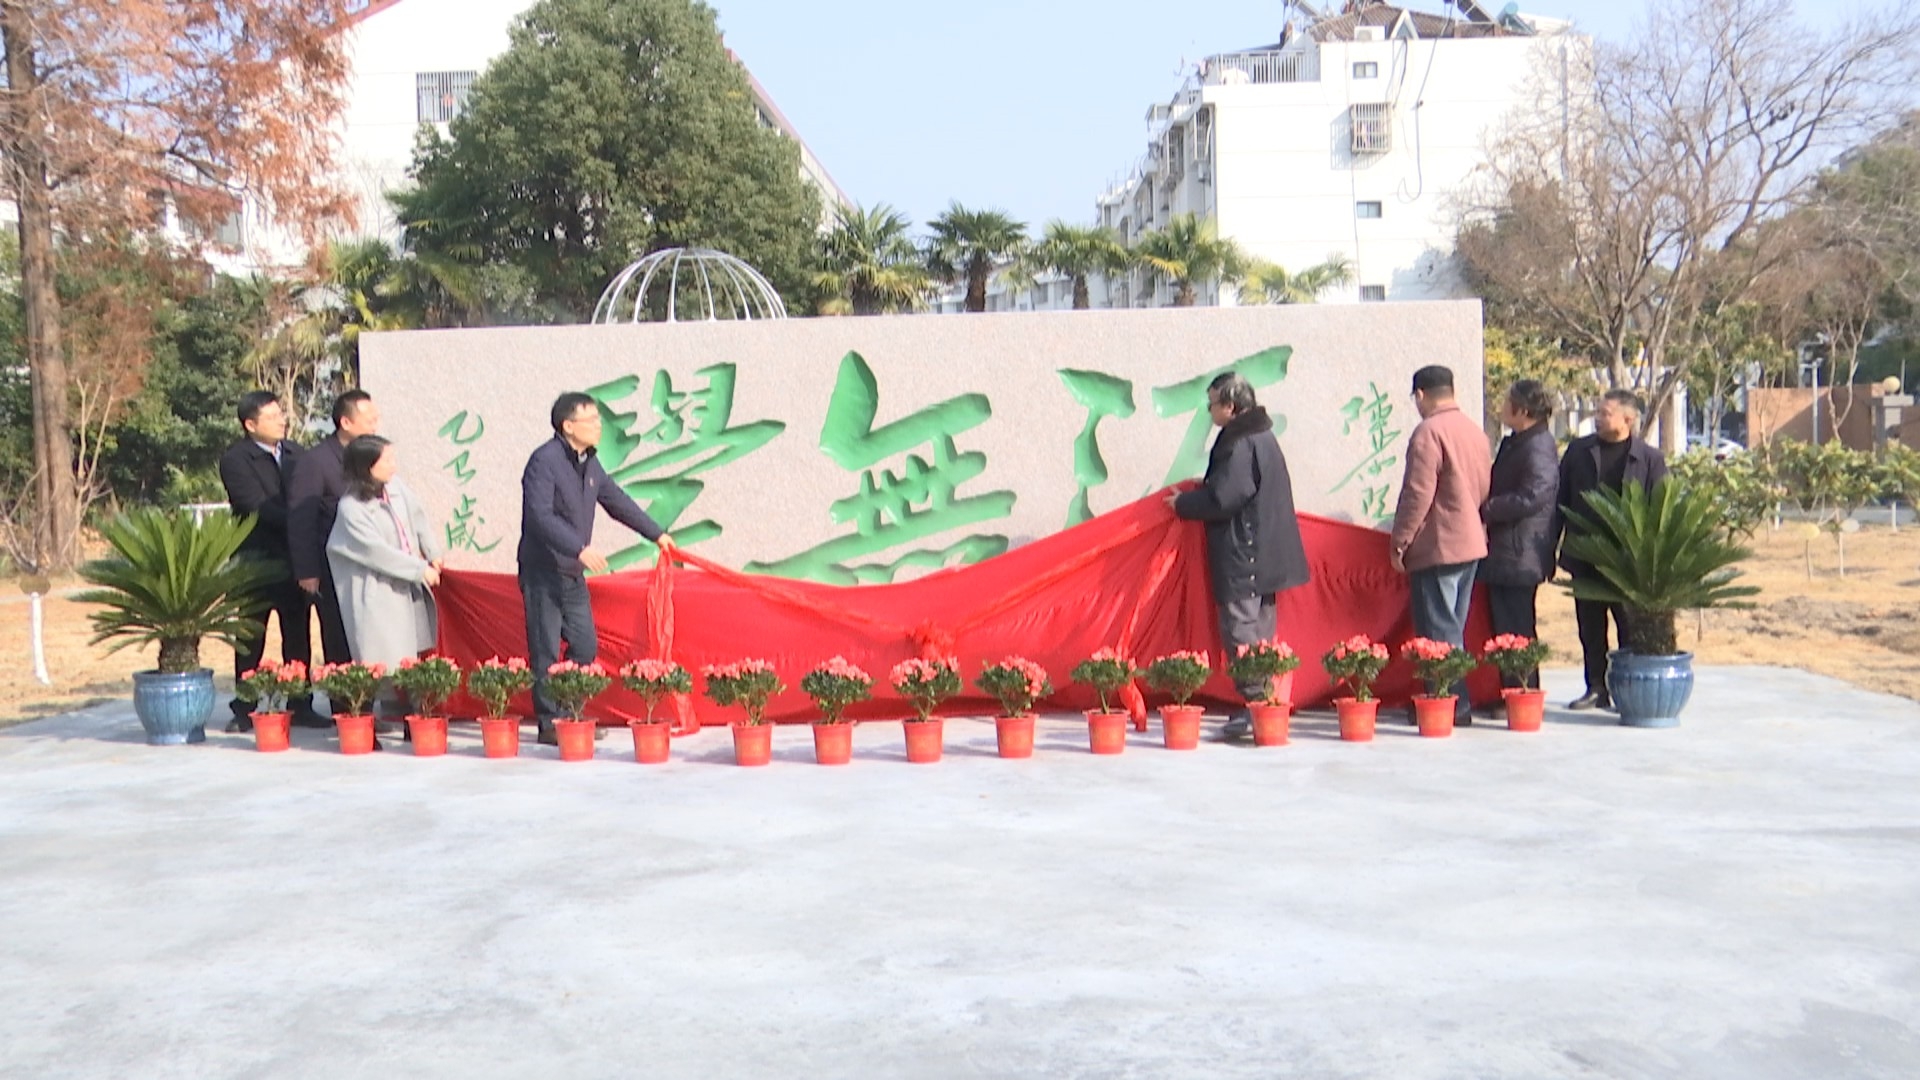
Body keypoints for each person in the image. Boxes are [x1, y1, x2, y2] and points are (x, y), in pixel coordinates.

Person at [520, 392, 675, 745]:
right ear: (568, 425)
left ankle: (571, 713)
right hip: (543, 571)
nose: (598, 426)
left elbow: (616, 501)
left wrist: (656, 534)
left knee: (585, 645)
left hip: (571, 573)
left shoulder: (589, 462)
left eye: (598, 419)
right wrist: (579, 548)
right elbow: (540, 516)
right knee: (545, 648)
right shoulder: (544, 461)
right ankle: (550, 723)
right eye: (591, 420)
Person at [1170, 372, 1310, 741]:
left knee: (1242, 630)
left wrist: (1184, 503)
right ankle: (1262, 704)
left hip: (1244, 553)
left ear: (1230, 407)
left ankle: (1256, 705)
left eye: (1212, 404)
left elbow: (1225, 497)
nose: (1209, 411)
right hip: (1262, 553)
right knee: (1259, 631)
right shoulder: (1261, 435)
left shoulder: (1239, 441)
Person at [1389, 365, 1493, 724]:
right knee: (1452, 627)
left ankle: (1450, 702)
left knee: (1438, 631)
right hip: (1470, 542)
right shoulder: (1474, 431)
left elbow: (1417, 494)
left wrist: (1400, 541)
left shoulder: (1428, 433)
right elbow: (1483, 487)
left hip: (1438, 544)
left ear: (1421, 395)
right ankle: (1443, 697)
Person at [326, 435, 443, 749]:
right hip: (376, 592)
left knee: (410, 658)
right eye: (386, 460)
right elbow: (376, 552)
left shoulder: (396, 488)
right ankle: (363, 726)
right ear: (367, 467)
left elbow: (418, 517)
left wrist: (432, 551)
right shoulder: (351, 507)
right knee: (375, 661)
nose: (393, 465)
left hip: (405, 585)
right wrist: (419, 569)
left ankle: (415, 723)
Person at [1556, 389, 1668, 710]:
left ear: (1627, 419)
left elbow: (1661, 511)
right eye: (1598, 412)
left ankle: (1629, 690)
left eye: (1605, 413)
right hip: (1586, 556)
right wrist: (1550, 548)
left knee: (1629, 629)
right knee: (1590, 629)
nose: (1598, 418)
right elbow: (1560, 503)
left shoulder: (1650, 459)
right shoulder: (1579, 452)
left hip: (1628, 563)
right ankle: (1596, 687)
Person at [217, 390, 314, 733]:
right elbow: (254, 506)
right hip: (255, 561)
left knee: (298, 635)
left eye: (280, 414)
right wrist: (302, 521)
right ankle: (244, 707)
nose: (281, 421)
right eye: (272, 417)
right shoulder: (236, 460)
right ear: (250, 424)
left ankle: (300, 703)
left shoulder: (296, 453)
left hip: (293, 559)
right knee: (250, 638)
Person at [288, 390, 380, 676]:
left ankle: (367, 694)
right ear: (346, 422)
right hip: (331, 569)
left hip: (366, 567)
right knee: (338, 639)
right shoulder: (316, 461)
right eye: (368, 419)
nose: (375, 425)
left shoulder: (371, 458)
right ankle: (343, 698)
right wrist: (307, 571)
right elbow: (301, 519)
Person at [1479, 380, 1561, 693]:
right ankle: (1510, 691)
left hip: (1520, 552)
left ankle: (1523, 692)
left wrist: (1490, 508)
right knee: (1504, 628)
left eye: (1507, 402)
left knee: (1517, 627)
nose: (1502, 407)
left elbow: (1534, 495)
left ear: (1523, 411)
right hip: (1505, 550)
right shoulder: (1515, 442)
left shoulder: (1539, 445)